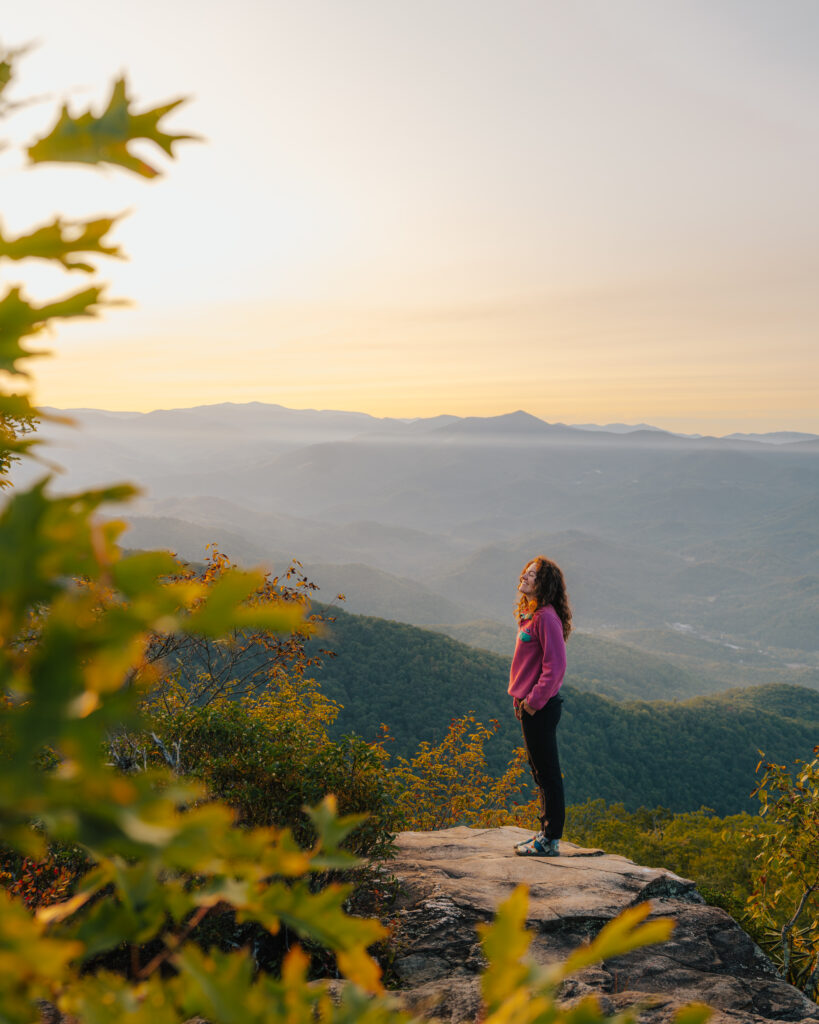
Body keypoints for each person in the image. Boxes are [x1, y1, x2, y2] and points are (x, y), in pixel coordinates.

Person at [508, 556, 571, 856]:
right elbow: (528, 665)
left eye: (532, 574)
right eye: (526, 571)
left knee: (547, 773)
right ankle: (546, 832)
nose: (525, 576)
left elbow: (555, 667)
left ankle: (550, 839)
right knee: (540, 773)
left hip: (540, 708)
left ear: (543, 583)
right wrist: (519, 698)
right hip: (530, 705)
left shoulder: (545, 617)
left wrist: (531, 702)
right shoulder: (532, 614)